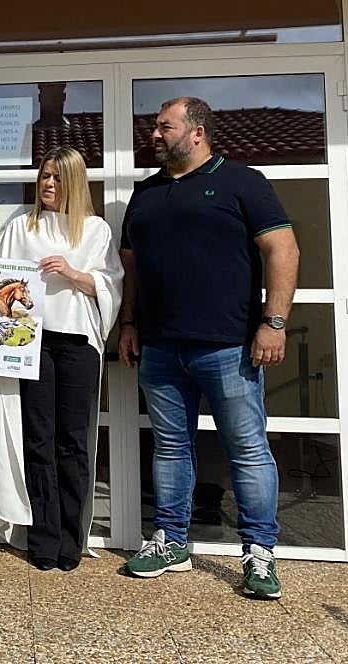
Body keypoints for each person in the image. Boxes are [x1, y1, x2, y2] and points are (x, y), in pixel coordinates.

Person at [118, 96, 299, 600]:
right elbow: (131, 266)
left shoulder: (243, 182)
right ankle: (170, 541)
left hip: (228, 346)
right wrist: (129, 322)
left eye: (165, 127)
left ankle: (259, 553)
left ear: (197, 132)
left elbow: (283, 249)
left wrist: (274, 322)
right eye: (155, 127)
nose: (155, 135)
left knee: (247, 449)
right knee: (171, 447)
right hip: (160, 346)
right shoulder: (145, 193)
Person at [0, 146, 123, 571]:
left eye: (57, 177)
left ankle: (71, 538)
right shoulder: (21, 226)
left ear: (74, 182)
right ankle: (43, 538)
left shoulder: (95, 230)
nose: (48, 183)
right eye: (45, 175)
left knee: (73, 442)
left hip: (77, 343)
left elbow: (109, 285)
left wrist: (72, 272)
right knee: (39, 439)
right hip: (32, 345)